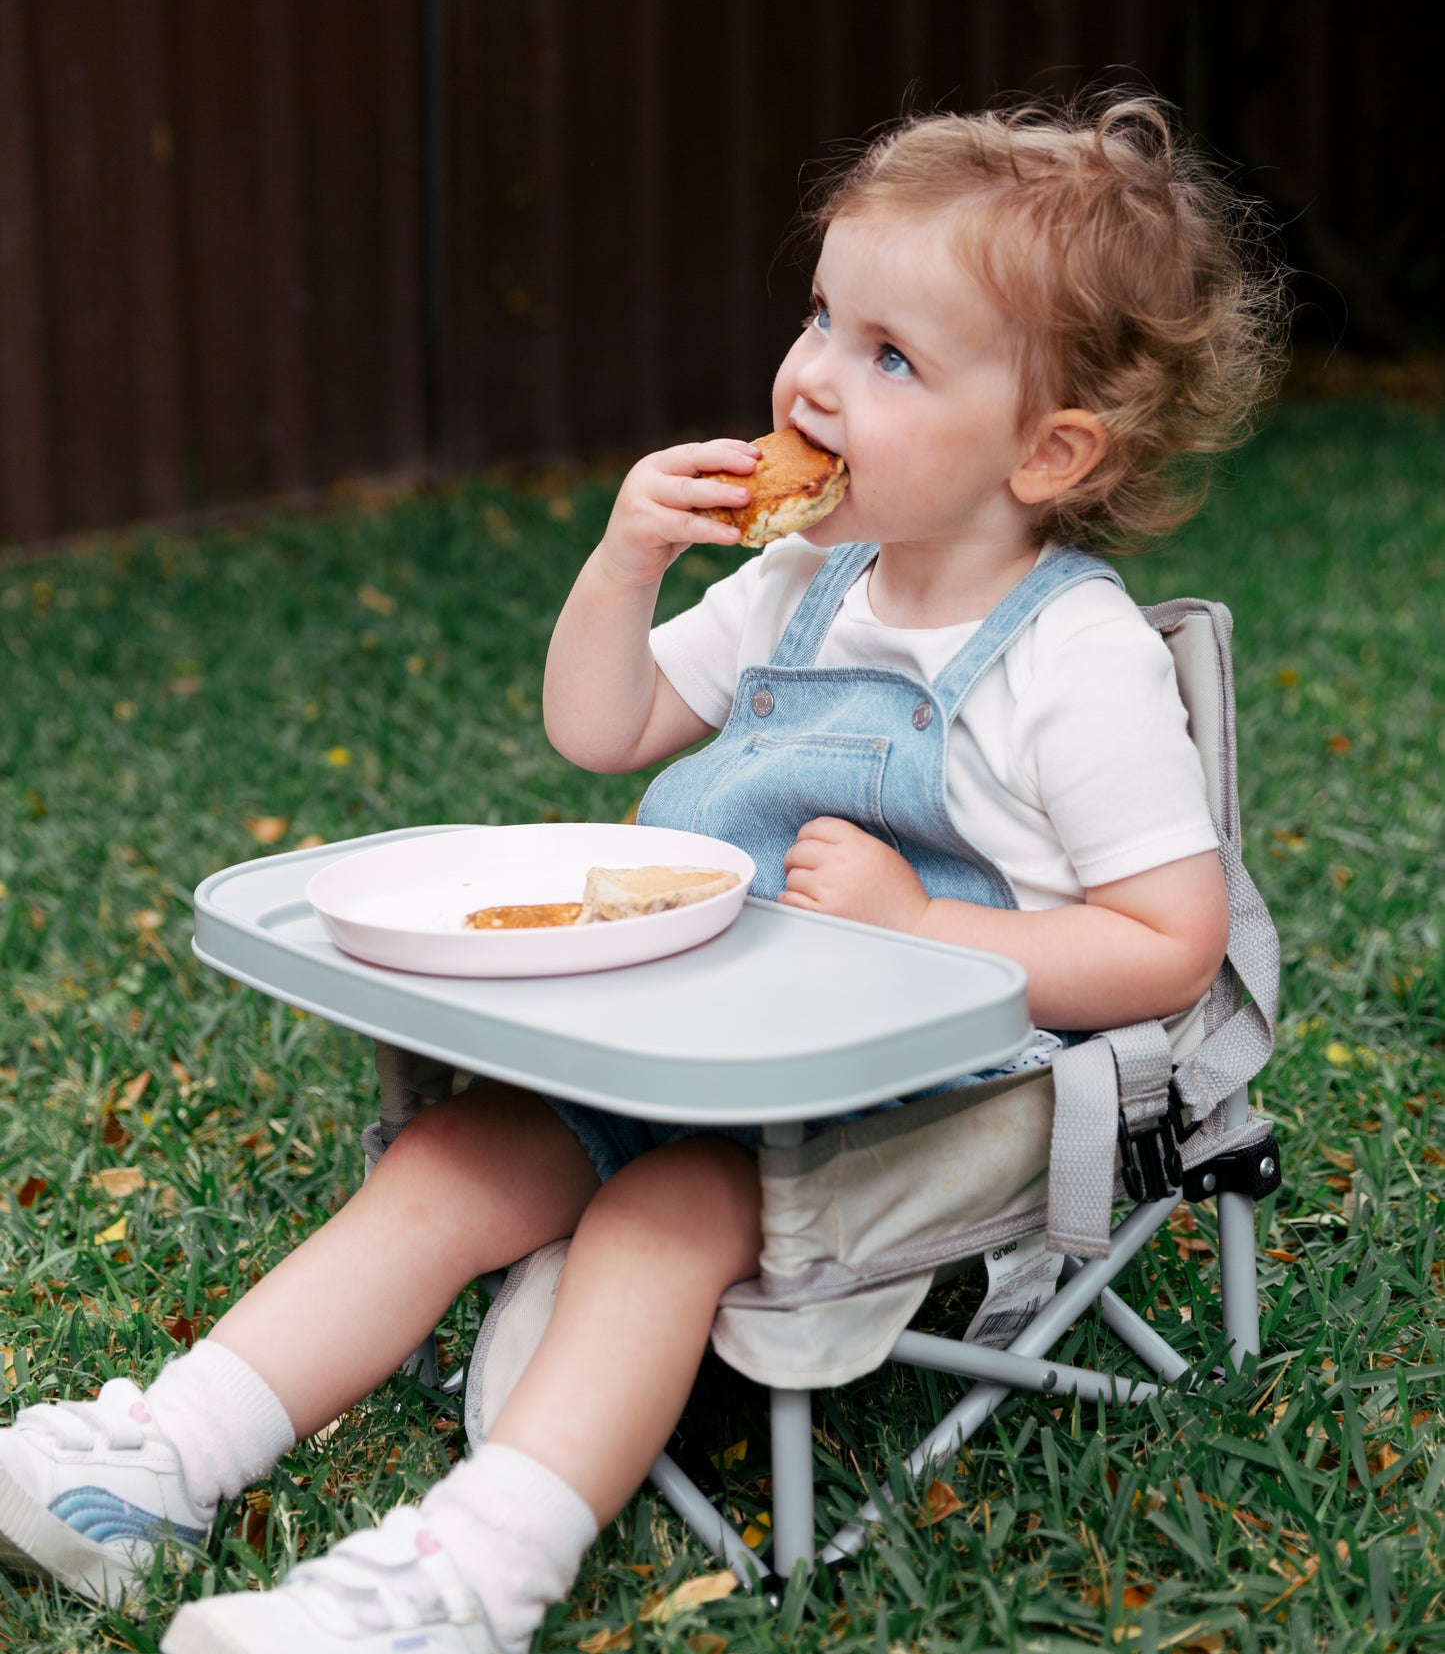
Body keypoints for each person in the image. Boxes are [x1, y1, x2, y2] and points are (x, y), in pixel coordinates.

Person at [0, 98, 1282, 1654]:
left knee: (668, 1210)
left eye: (890, 356)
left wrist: (928, 922)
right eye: (821, 315)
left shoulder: (1072, 657)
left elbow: (1170, 944)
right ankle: (160, 1459)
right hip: (697, 1034)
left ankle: (470, 1576)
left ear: (1048, 447)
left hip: (927, 1093)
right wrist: (626, 561)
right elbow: (600, 731)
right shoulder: (804, 576)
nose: (810, 375)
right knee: (458, 1161)